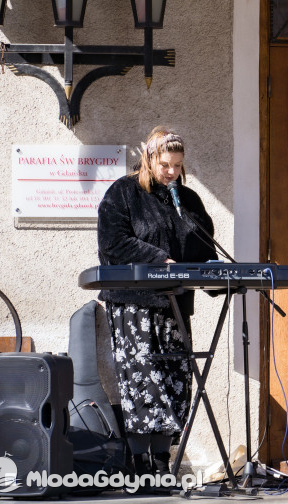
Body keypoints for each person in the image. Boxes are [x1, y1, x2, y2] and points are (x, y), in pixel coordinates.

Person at [96, 126, 217, 478]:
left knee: (174, 379)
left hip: (175, 305)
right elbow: (113, 243)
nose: (172, 172)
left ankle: (162, 465)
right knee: (142, 382)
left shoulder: (187, 200)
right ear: (148, 159)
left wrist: (217, 275)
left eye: (178, 166)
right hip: (134, 306)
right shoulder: (123, 193)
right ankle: (139, 466)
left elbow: (204, 247)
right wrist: (159, 259)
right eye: (166, 164)